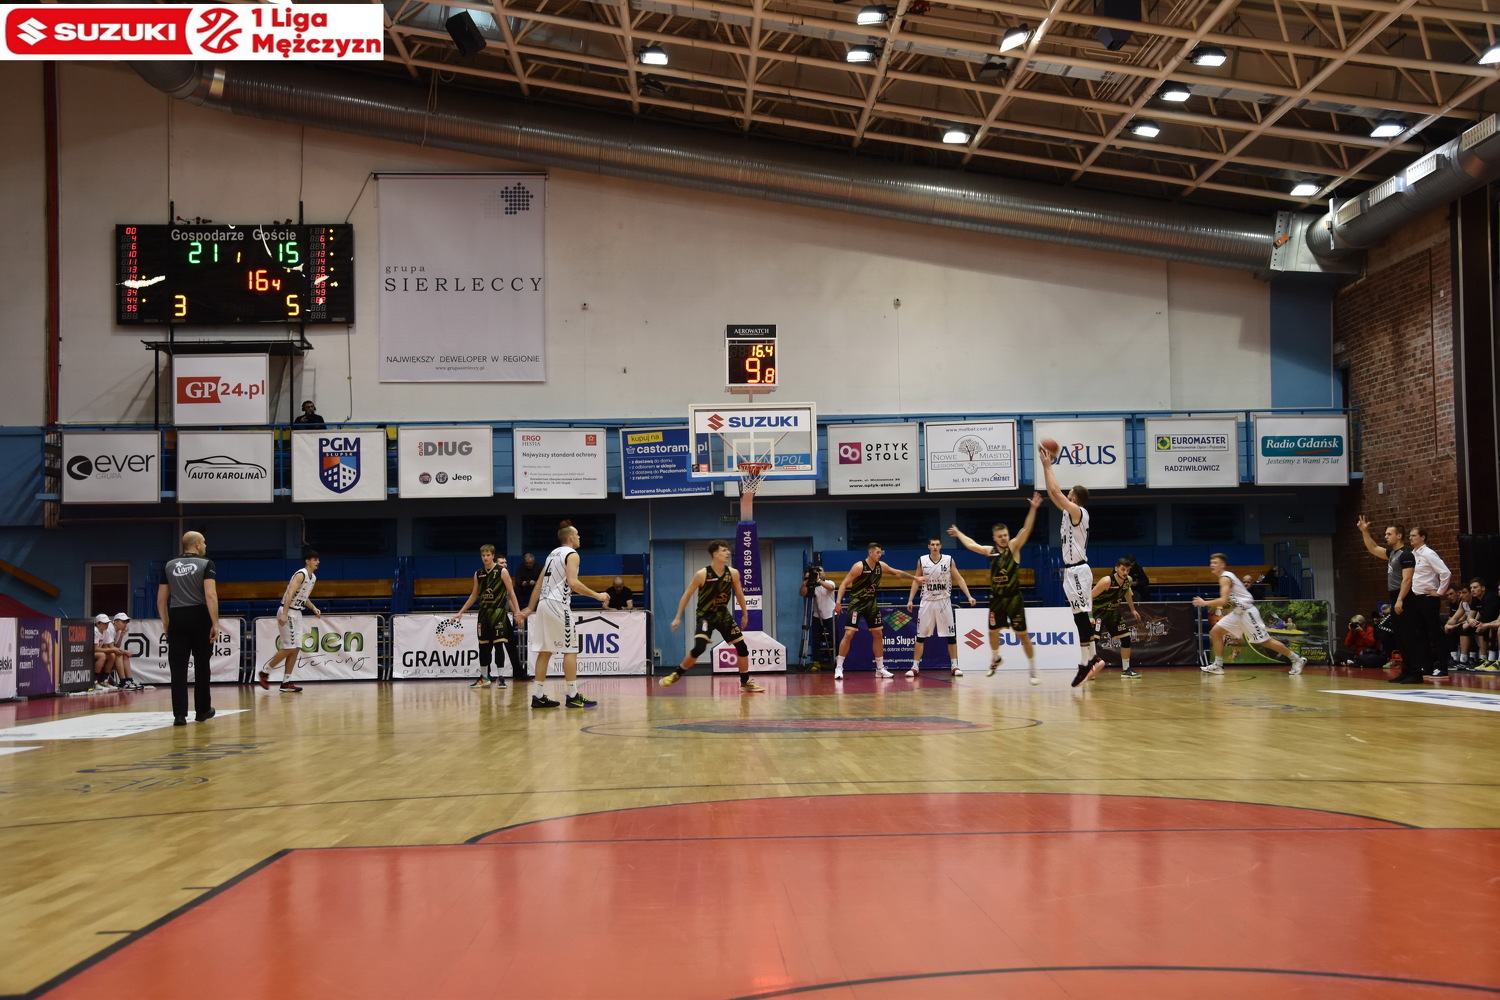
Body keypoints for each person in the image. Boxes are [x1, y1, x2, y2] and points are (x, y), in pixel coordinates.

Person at [948, 494, 1043, 684]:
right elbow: (972, 545)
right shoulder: (990, 551)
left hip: (1014, 598)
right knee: (992, 632)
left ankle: (1033, 669)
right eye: (1000, 536)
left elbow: (1026, 529)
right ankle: (996, 658)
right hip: (997, 599)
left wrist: (1033, 509)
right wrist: (959, 534)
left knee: (1023, 635)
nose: (1003, 538)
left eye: (1005, 535)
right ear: (994, 538)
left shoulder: (1014, 547)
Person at [1038, 445, 1106, 688]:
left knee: (1082, 617)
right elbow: (1052, 492)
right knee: (1078, 617)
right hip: (1071, 571)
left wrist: (1048, 465)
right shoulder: (1068, 512)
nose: (1065, 496)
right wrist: (1045, 468)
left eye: (1069, 494)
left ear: (1075, 498)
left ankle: (1088, 661)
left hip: (1078, 569)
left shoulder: (1078, 512)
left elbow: (1056, 493)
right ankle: (1092, 658)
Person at [521, 525, 608, 708]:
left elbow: (539, 584)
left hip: (544, 604)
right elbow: (573, 583)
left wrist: (530, 607)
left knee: (545, 651)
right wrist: (597, 595)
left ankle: (538, 696)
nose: (579, 537)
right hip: (558, 604)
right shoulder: (572, 554)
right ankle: (573, 695)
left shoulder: (552, 555)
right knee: (571, 649)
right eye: (577, 534)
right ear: (570, 538)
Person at [661, 540, 764, 692]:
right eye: (724, 550)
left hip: (723, 616)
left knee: (742, 647)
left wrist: (745, 613)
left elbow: (739, 593)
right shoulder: (702, 574)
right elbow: (687, 595)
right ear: (715, 554)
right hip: (705, 616)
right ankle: (676, 674)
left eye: (728, 550)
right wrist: (677, 617)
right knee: (699, 648)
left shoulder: (733, 573)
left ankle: (745, 682)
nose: (727, 553)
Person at [1193, 553, 1307, 675]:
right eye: (1211, 562)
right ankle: (1218, 665)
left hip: (1247, 613)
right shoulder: (1226, 577)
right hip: (1237, 613)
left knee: (1265, 641)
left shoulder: (1225, 578)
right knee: (1215, 632)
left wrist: (1204, 603)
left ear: (1222, 565)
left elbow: (1223, 601)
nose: (1212, 565)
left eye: (1215, 562)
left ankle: (1297, 659)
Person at [156, 530, 220, 726]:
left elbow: (161, 599)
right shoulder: (206, 563)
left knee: (178, 668)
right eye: (204, 542)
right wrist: (215, 623)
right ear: (198, 544)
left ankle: (179, 715)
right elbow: (210, 595)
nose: (205, 545)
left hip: (177, 616)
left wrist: (166, 622)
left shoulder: (169, 565)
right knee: (202, 665)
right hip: (200, 616)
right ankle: (202, 710)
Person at [833, 543, 916, 680]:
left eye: (880, 552)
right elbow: (844, 584)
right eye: (877, 552)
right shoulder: (859, 566)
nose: (879, 554)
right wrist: (838, 602)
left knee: (878, 633)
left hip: (871, 603)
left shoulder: (881, 566)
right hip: (857, 602)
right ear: (870, 553)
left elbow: (897, 572)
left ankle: (880, 669)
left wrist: (915, 578)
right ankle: (839, 667)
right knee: (849, 633)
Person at [1357, 516, 1423, 684]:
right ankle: (1406, 671)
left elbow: (1407, 579)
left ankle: (1416, 673)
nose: (1385, 536)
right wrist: (1364, 531)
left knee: (1409, 637)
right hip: (1396, 597)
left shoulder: (1406, 555)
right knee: (1399, 637)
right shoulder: (1393, 553)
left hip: (1405, 598)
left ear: (1399, 536)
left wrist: (1400, 600)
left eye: (1389, 534)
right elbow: (1373, 548)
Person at [904, 535, 977, 678]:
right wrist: (910, 599)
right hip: (927, 601)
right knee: (920, 636)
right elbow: (916, 580)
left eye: (937, 544)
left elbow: (959, 578)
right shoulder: (922, 560)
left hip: (944, 602)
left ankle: (954, 665)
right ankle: (915, 667)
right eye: (932, 544)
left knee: (951, 636)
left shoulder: (948, 560)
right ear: (929, 546)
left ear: (941, 546)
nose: (935, 547)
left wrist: (969, 596)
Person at [452, 544, 524, 689]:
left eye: (488, 555)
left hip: (498, 612)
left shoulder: (502, 571)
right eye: (483, 555)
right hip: (483, 613)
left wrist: (517, 612)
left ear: (493, 556)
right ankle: (484, 677)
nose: (485, 558)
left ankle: (501, 678)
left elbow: (511, 593)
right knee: (483, 646)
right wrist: (461, 612)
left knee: (499, 645)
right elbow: (474, 595)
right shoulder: (478, 574)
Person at [257, 549, 322, 693]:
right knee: (290, 647)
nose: (318, 562)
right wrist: (285, 614)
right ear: (307, 561)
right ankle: (265, 672)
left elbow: (303, 597)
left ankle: (286, 682)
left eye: (318, 559)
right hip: (289, 611)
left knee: (296, 647)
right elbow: (290, 593)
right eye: (315, 559)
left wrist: (313, 608)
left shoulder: (313, 578)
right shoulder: (300, 574)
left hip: (298, 612)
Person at [1407, 527, 1452, 678]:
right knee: (1420, 633)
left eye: (1414, 535)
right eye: (1410, 536)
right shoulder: (1412, 555)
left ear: (1423, 537)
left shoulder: (1428, 553)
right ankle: (1427, 665)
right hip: (1416, 598)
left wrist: (1439, 592)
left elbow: (1445, 572)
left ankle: (1443, 666)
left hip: (1428, 598)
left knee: (1435, 632)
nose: (1411, 538)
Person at [1090, 558, 1143, 678]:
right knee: (1094, 641)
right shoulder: (1107, 581)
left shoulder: (1128, 580)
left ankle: (1126, 669)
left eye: (1128, 570)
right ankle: (1090, 669)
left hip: (1113, 612)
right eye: (1123, 569)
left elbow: (1127, 593)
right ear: (1116, 568)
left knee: (1126, 638)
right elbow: (1089, 596)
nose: (1125, 572)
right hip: (1099, 612)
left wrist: (1133, 610)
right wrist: (1090, 615)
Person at [800, 565, 837, 669]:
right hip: (817, 615)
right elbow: (802, 593)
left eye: (820, 571)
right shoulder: (812, 586)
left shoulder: (829, 582)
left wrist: (818, 580)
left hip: (830, 615)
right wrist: (805, 583)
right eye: (817, 572)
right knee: (816, 639)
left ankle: (837, 660)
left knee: (834, 638)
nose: (819, 573)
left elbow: (831, 588)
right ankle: (816, 662)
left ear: (824, 573)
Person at [109, 612, 142, 689]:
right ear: (116, 622)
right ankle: (123, 682)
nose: (125, 624)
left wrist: (121, 636)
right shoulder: (110, 629)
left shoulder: (118, 631)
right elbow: (111, 647)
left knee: (125, 656)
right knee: (119, 654)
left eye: (126, 622)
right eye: (123, 622)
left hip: (108, 651)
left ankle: (129, 680)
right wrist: (124, 651)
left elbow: (116, 646)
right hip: (103, 651)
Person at [91, 614, 119, 691]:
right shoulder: (95, 631)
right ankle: (94, 681)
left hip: (96, 651)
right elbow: (95, 649)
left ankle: (104, 680)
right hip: (88, 652)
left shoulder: (105, 631)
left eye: (107, 623)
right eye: (104, 623)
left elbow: (105, 646)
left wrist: (113, 651)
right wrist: (112, 650)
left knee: (112, 656)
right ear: (98, 623)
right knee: (102, 655)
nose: (106, 625)